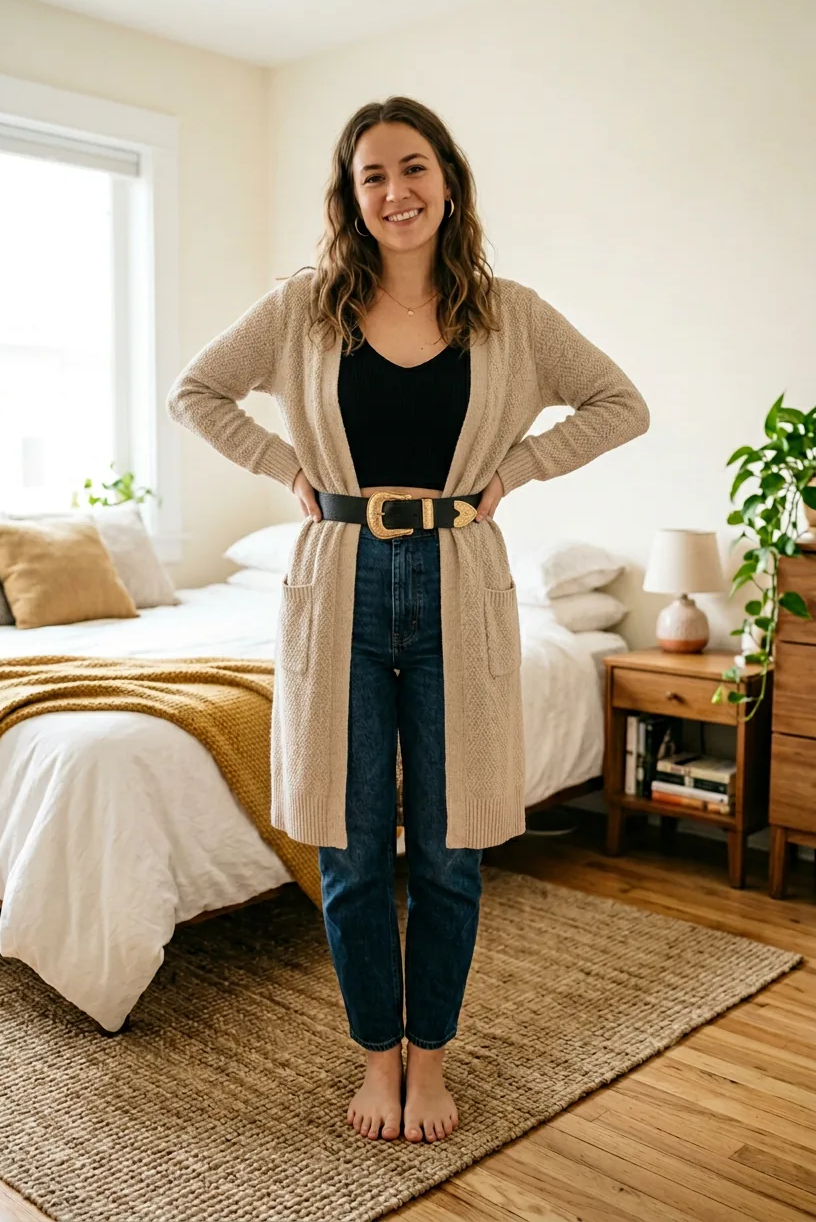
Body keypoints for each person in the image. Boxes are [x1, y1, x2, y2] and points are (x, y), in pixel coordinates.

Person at [166, 96, 650, 1148]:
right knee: (347, 851)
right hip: (336, 585)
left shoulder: (508, 312)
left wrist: (516, 467)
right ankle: (372, 1054)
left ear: (448, 181)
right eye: (372, 174)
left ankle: (426, 1058)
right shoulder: (303, 307)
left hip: (459, 587)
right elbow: (198, 391)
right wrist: (279, 465)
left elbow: (618, 403)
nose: (396, 191)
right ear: (350, 194)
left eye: (413, 167)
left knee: (446, 846)